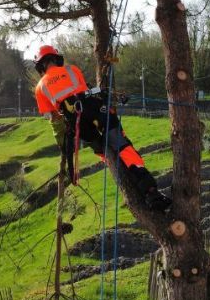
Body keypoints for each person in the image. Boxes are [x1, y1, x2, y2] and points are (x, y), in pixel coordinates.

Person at [33, 45, 171, 212]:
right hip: (95, 109)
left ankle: (119, 171)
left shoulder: (40, 88)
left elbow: (54, 118)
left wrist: (63, 144)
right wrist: (104, 92)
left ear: (40, 65)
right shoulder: (72, 70)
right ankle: (150, 191)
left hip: (77, 121)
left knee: (102, 150)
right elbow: (86, 92)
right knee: (122, 146)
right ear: (56, 59)